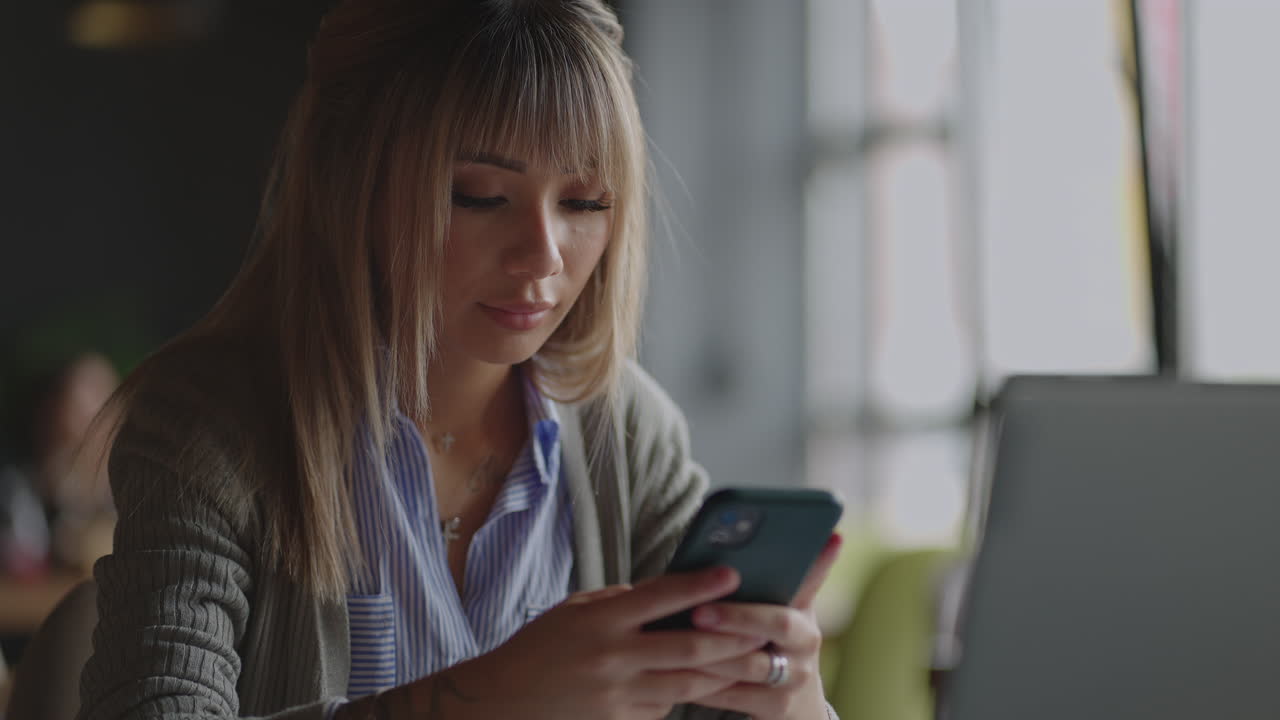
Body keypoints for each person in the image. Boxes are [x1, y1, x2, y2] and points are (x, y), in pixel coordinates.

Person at [77, 1, 842, 719]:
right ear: (354, 183)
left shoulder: (628, 431)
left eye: (584, 204)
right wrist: (484, 698)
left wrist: (789, 692)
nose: (542, 256)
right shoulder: (211, 424)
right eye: (477, 195)